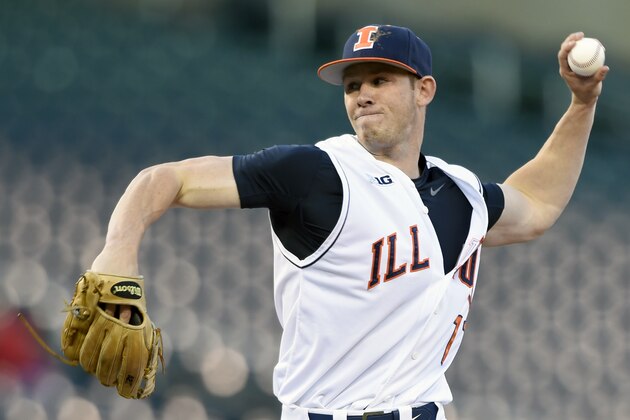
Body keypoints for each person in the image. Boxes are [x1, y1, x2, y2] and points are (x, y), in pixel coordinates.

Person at [88, 25, 608, 420]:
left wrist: (582, 105)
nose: (362, 93)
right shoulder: (314, 173)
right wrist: (117, 251)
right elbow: (169, 179)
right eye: (352, 83)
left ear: (424, 89)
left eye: (380, 79)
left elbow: (535, 205)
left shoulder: (462, 193)